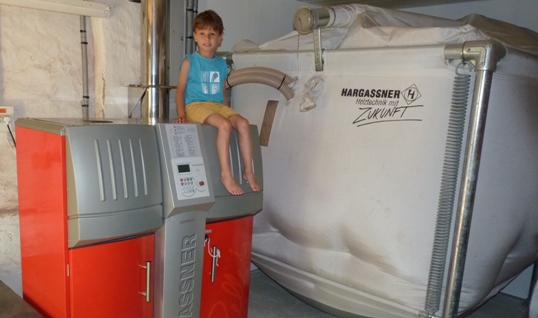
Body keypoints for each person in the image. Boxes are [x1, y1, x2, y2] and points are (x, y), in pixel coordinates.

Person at [175, 10, 260, 196]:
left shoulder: (221, 64)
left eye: (212, 34)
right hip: (196, 106)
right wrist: (182, 114)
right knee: (224, 125)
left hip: (217, 105)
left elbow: (222, 93)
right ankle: (226, 174)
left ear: (220, 38)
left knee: (244, 123)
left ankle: (248, 171)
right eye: (203, 34)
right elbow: (180, 90)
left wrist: (228, 111)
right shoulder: (190, 62)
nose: (207, 39)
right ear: (195, 36)